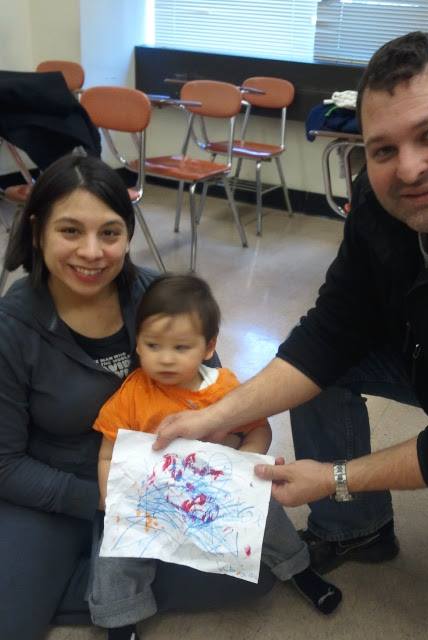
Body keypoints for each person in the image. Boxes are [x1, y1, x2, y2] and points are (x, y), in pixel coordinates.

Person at [152, 31, 428, 631]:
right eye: (383, 149)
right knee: (325, 370)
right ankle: (360, 529)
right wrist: (214, 416)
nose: (409, 169)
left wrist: (333, 477)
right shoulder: (379, 205)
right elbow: (331, 331)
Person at [0, 154, 275, 640]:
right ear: (39, 229)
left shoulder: (155, 293)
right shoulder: (11, 326)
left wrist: (235, 458)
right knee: (12, 620)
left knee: (256, 573)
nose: (91, 252)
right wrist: (104, 501)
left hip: (160, 478)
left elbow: (209, 394)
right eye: (70, 231)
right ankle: (81, 571)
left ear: (128, 234)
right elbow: (5, 465)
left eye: (109, 233)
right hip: (56, 486)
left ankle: (90, 576)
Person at [89, 273, 342, 640]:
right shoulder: (132, 393)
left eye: (181, 347)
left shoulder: (223, 388)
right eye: (153, 345)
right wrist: (111, 499)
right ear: (137, 345)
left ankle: (298, 569)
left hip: (213, 492)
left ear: (208, 347)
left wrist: (244, 466)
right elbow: (108, 454)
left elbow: (259, 428)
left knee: (267, 515)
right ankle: (120, 619)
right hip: (151, 498)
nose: (165, 358)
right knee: (114, 550)